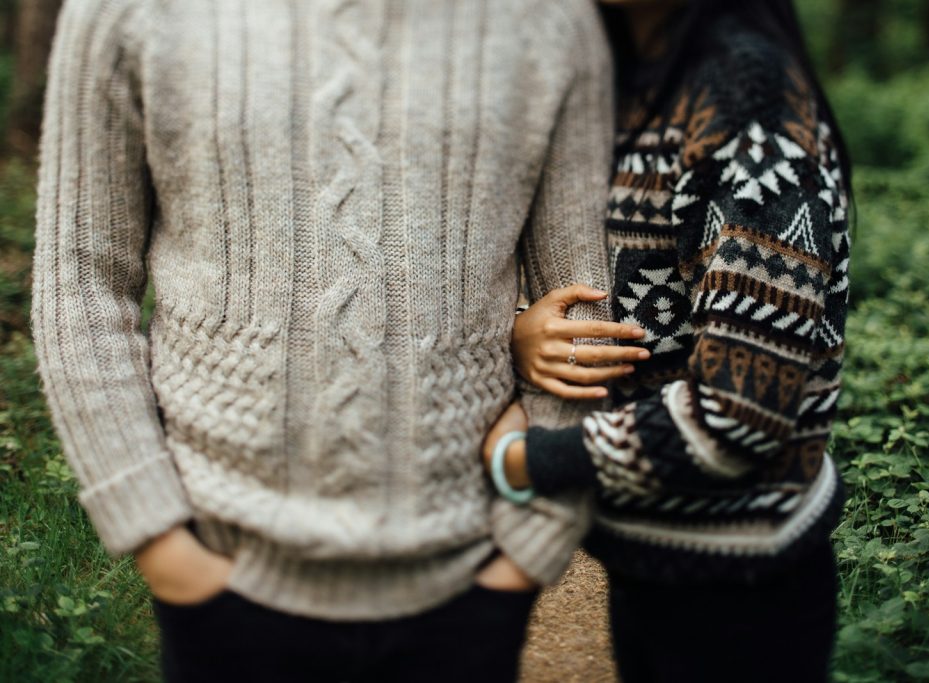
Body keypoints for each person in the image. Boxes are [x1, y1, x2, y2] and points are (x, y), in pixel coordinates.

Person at [31, 1, 619, 681]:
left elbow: (584, 297)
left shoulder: (548, 21)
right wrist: (159, 541)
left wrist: (532, 544)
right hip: (222, 577)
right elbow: (82, 277)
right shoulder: (127, 12)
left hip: (469, 585)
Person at [483, 1, 852, 681]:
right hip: (651, 566)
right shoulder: (632, 78)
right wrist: (526, 327)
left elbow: (739, 414)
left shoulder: (748, 98)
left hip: (741, 592)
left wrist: (521, 460)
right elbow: (608, 274)